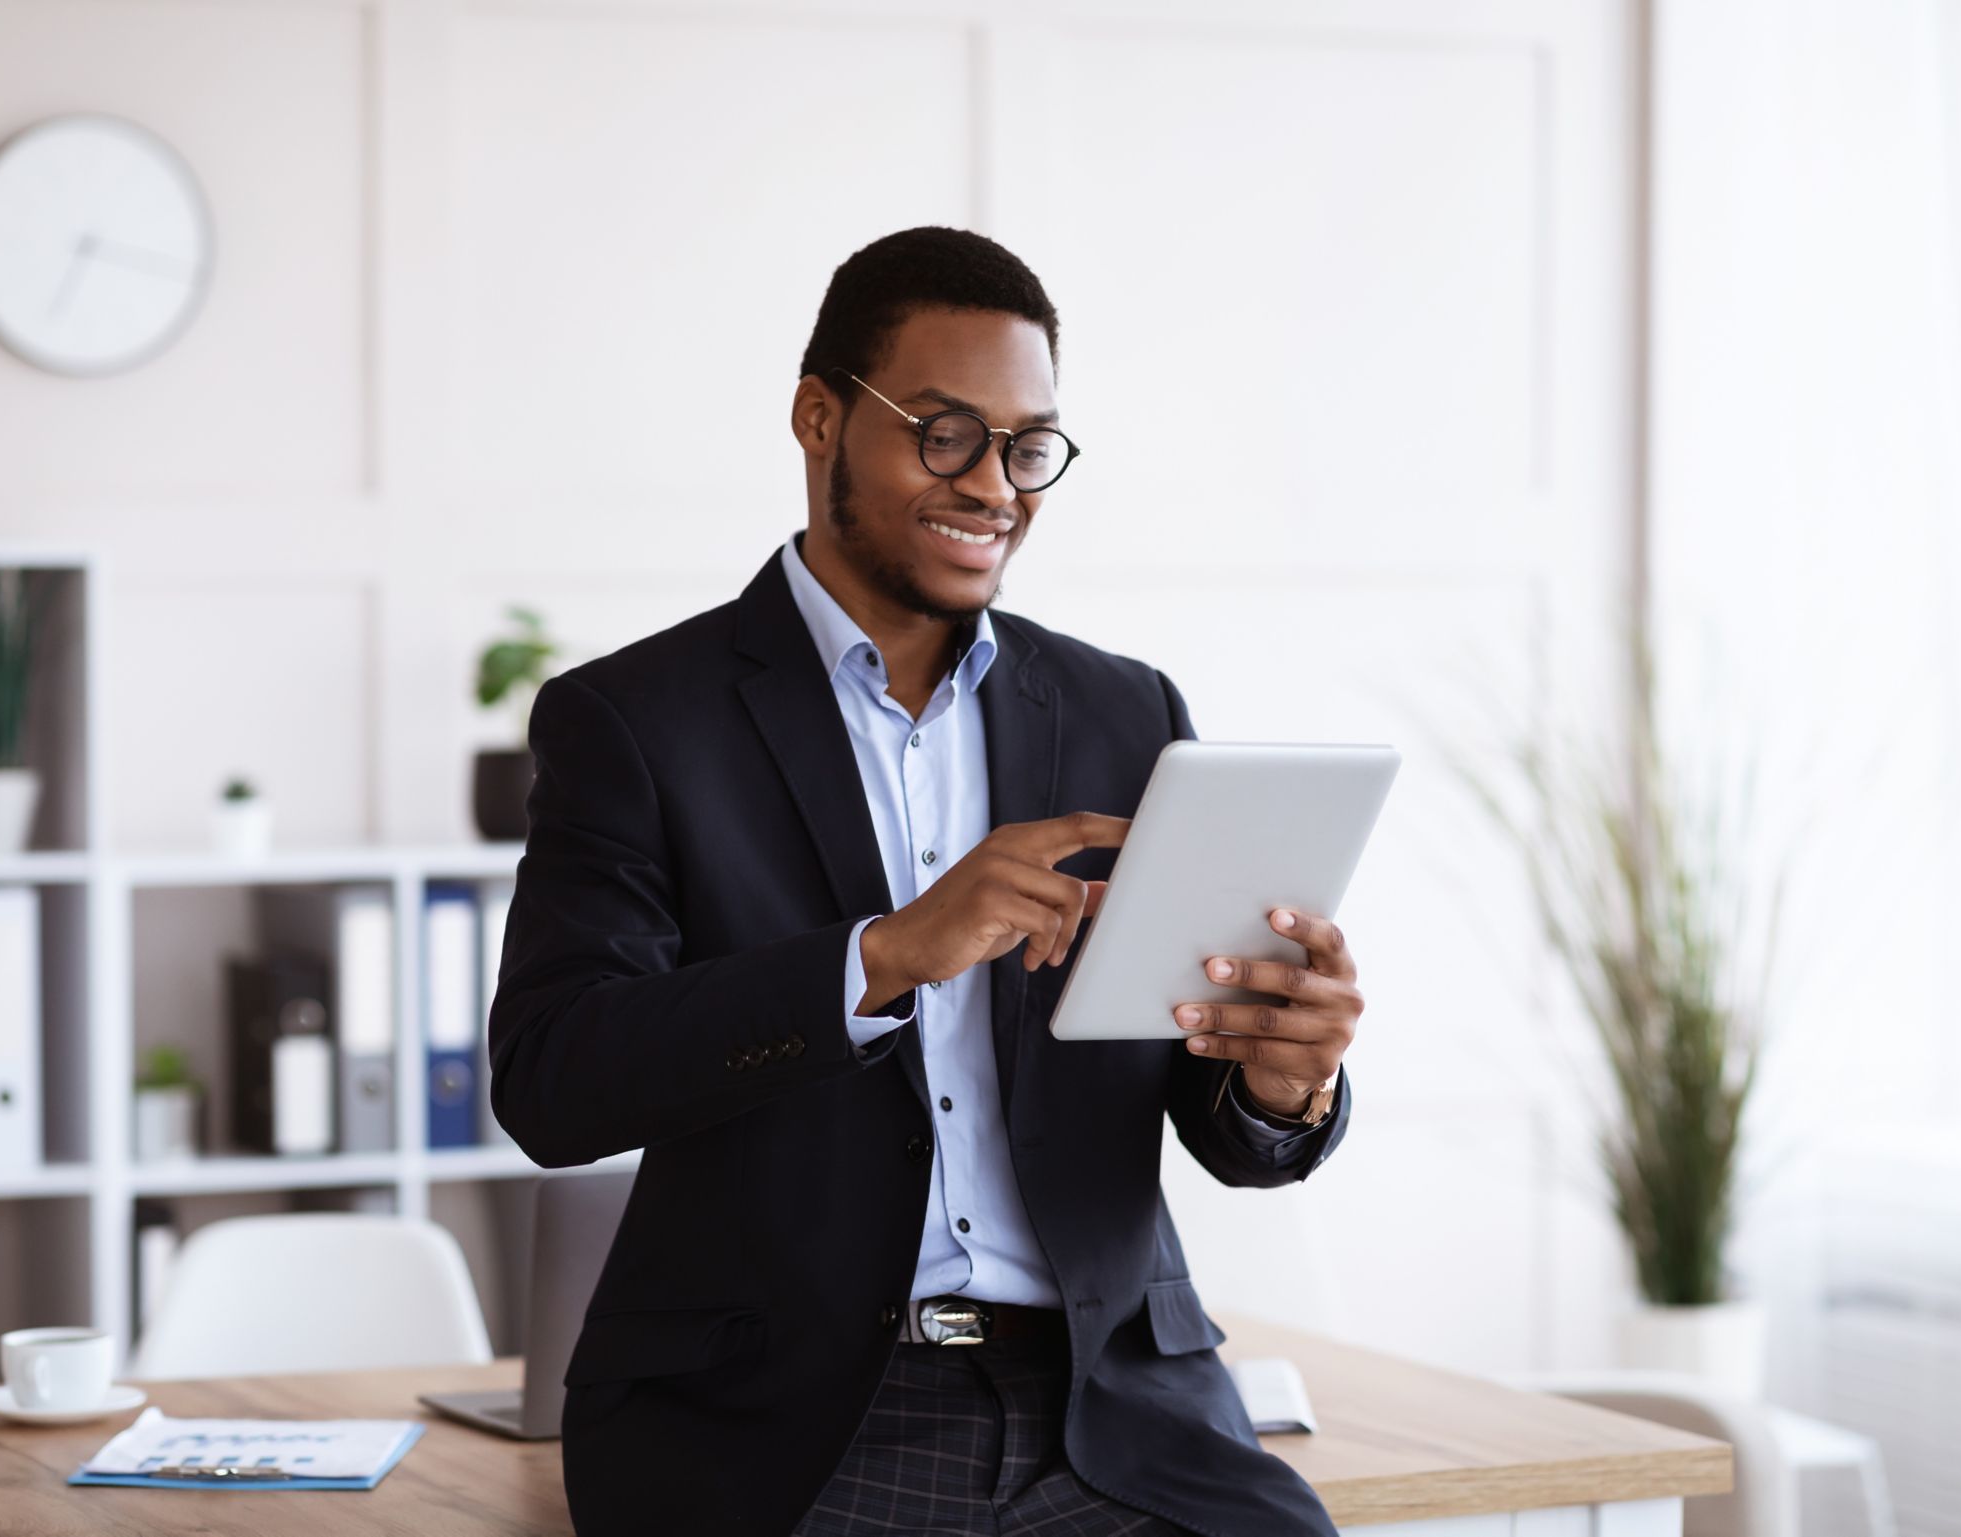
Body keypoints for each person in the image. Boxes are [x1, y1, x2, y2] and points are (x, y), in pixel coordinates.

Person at [489, 226, 1364, 1537]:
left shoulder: (1128, 714)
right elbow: (554, 1082)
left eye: (1027, 447)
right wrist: (883, 954)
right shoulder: (635, 722)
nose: (997, 486)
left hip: (1109, 1413)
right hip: (794, 1427)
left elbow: (1209, 1105)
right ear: (819, 416)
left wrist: (1285, 1080)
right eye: (946, 433)